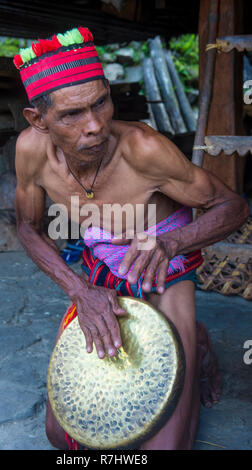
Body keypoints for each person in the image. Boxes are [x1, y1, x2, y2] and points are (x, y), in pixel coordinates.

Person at [13, 27, 250, 450]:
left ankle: (191, 344)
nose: (95, 127)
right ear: (38, 120)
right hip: (101, 273)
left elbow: (233, 207)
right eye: (72, 115)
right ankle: (189, 336)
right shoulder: (31, 151)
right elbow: (28, 228)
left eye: (101, 102)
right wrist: (80, 291)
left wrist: (172, 244)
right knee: (61, 435)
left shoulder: (143, 148)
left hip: (164, 269)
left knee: (163, 447)